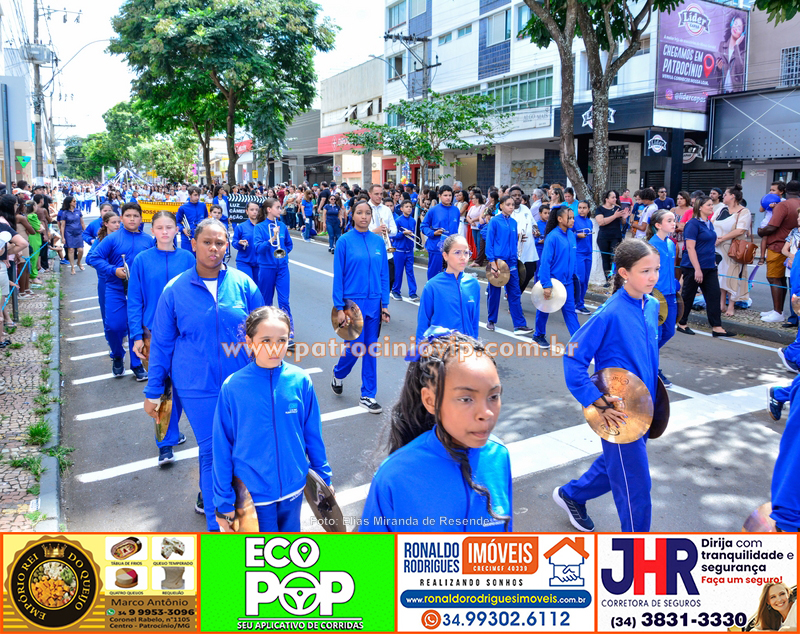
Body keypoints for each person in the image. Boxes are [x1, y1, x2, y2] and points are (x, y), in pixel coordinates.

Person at [143, 218, 263, 529]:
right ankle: (216, 525)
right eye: (207, 242)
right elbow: (162, 344)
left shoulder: (244, 284)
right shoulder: (175, 290)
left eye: (220, 243)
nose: (213, 248)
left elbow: (263, 333)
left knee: (240, 448)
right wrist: (153, 391)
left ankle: (241, 513)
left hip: (241, 384)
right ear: (193, 244)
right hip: (197, 386)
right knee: (213, 451)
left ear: (228, 246)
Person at [554, 240, 661, 532]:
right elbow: (573, 359)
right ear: (624, 273)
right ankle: (636, 557)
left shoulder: (651, 305)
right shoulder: (609, 313)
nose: (653, 277)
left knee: (620, 465)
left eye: (656, 270)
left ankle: (572, 494)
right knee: (636, 487)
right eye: (645, 271)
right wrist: (598, 401)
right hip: (617, 414)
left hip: (643, 408)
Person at [360, 332, 512, 532]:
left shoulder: (499, 455)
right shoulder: (394, 476)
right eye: (466, 399)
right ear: (430, 401)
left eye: (493, 396)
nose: (486, 413)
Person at [212, 306, 332, 533]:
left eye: (282, 340)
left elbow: (313, 435)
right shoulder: (233, 388)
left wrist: (324, 480)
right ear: (249, 342)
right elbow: (221, 447)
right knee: (259, 558)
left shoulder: (301, 380)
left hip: (294, 489)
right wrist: (223, 502)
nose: (275, 348)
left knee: (287, 552)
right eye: (266, 340)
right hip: (252, 496)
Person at [127, 211, 196, 465]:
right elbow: (134, 300)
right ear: (152, 230)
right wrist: (136, 335)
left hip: (185, 334)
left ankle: (173, 431)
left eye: (169, 227)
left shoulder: (188, 258)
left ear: (177, 229)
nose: (165, 232)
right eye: (159, 227)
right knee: (163, 387)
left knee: (184, 386)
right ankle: (165, 444)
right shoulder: (142, 261)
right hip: (153, 334)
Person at [331, 200, 390, 414]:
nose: (364, 216)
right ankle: (338, 373)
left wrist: (385, 304)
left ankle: (368, 395)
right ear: (352, 215)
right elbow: (339, 276)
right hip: (352, 305)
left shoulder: (378, 242)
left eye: (367, 213)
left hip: (374, 303)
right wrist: (339, 307)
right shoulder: (344, 242)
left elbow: (384, 274)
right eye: (359, 213)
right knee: (356, 349)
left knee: (371, 350)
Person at [86, 203, 155, 380]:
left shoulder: (148, 240)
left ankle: (137, 364)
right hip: (115, 288)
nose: (132, 219)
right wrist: (112, 270)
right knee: (114, 326)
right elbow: (93, 258)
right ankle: (117, 354)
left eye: (135, 216)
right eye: (128, 216)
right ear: (122, 218)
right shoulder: (112, 238)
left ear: (141, 219)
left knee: (136, 328)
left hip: (139, 292)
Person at [677, 196, 736, 337]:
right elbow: (690, 248)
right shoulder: (692, 224)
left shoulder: (708, 223)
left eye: (711, 205)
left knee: (714, 295)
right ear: (700, 207)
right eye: (709, 205)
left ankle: (717, 327)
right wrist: (697, 268)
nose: (712, 207)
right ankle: (682, 323)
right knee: (688, 296)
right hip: (693, 267)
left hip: (709, 266)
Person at [416, 235, 480, 343]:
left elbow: (474, 322)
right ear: (445, 256)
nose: (463, 257)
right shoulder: (432, 286)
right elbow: (423, 323)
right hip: (441, 351)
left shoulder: (473, 284)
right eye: (457, 252)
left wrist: (476, 349)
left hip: (467, 350)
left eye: (466, 252)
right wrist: (421, 351)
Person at [534, 204, 581, 348]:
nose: (573, 220)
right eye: (570, 218)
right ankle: (538, 335)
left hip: (568, 283)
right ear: (560, 219)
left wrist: (574, 278)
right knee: (545, 309)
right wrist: (546, 284)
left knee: (570, 311)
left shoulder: (572, 235)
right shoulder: (553, 237)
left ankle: (578, 340)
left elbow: (572, 259)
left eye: (573, 218)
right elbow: (545, 263)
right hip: (553, 282)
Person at [485, 195, 533, 335]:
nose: (511, 207)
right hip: (498, 263)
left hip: (512, 263)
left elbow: (513, 242)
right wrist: (493, 263)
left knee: (515, 293)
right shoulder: (494, 221)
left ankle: (519, 325)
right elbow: (490, 243)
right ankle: (491, 320)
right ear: (501, 206)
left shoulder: (513, 222)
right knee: (494, 293)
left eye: (512, 204)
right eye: (508, 204)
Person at [254, 198, 295, 348]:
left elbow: (289, 244)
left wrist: (283, 253)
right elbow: (258, 248)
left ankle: (288, 334)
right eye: (278, 207)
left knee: (284, 301)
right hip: (266, 268)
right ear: (269, 210)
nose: (280, 210)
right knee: (267, 302)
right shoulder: (259, 227)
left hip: (282, 267)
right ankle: (266, 332)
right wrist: (271, 239)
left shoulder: (282, 226)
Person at [758, 181, 800, 324]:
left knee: (774, 278)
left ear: (786, 190)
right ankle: (784, 312)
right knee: (788, 282)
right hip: (793, 248)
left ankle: (778, 312)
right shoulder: (797, 204)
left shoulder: (784, 205)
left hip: (777, 246)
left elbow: (772, 227)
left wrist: (760, 231)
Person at [648, 210, 679, 388]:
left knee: (669, 332)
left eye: (674, 220)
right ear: (658, 225)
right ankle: (653, 368)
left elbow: (671, 268)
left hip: (670, 294)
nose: (673, 223)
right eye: (669, 220)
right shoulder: (651, 246)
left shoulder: (671, 244)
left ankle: (646, 357)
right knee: (656, 333)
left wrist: (675, 284)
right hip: (656, 295)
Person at [86, 210, 121, 359]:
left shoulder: (122, 238)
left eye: (119, 222)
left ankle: (122, 338)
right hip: (106, 282)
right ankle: (112, 342)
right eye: (114, 222)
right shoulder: (101, 241)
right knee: (108, 315)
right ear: (106, 224)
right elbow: (90, 259)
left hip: (123, 282)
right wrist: (107, 267)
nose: (117, 225)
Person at [713, 185, 751, 318]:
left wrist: (722, 238)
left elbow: (741, 230)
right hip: (718, 248)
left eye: (725, 194)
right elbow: (712, 223)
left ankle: (731, 305)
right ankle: (721, 303)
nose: (723, 196)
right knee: (721, 276)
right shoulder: (721, 209)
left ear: (732, 196)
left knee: (733, 275)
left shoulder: (744, 212)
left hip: (733, 248)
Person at [421, 185, 460, 280]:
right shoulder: (433, 210)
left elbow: (456, 227)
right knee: (434, 274)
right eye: (445, 195)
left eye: (450, 195)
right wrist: (433, 233)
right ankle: (432, 293)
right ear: (439, 196)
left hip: (451, 248)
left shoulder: (456, 210)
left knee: (452, 274)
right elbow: (423, 226)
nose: (448, 197)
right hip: (436, 246)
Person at [367, 184, 398, 290]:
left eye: (381, 194)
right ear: (369, 194)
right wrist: (376, 230)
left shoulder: (386, 209)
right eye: (376, 194)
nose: (379, 196)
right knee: (372, 283)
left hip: (386, 251)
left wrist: (387, 230)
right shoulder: (364, 208)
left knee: (390, 280)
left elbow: (394, 230)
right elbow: (360, 230)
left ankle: (383, 304)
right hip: (370, 250)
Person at [594, 190, 628, 283]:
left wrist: (624, 217)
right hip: (603, 237)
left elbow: (623, 222)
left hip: (616, 236)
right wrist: (614, 216)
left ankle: (615, 279)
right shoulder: (600, 209)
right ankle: (608, 280)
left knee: (615, 258)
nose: (615, 199)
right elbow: (601, 222)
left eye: (616, 197)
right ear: (606, 199)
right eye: (613, 197)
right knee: (605, 258)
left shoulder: (618, 208)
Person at [510, 186, 538, 292]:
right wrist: (516, 237)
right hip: (515, 249)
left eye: (519, 195)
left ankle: (517, 293)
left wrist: (536, 230)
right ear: (510, 197)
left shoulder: (525, 208)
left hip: (528, 248)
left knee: (530, 271)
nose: (517, 197)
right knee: (515, 275)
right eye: (514, 195)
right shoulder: (508, 211)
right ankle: (514, 298)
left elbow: (533, 224)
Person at [391, 199, 418, 301]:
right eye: (406, 207)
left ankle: (413, 293)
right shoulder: (398, 221)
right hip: (399, 251)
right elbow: (393, 235)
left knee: (410, 272)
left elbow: (413, 235)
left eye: (410, 207)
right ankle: (395, 291)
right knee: (398, 272)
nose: (409, 208)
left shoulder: (413, 221)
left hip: (409, 250)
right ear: (401, 209)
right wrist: (403, 233)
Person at [716, 12, 746, 94]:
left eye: (739, 28)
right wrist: (718, 68)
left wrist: (736, 46)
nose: (736, 27)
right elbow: (716, 77)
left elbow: (740, 70)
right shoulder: (722, 45)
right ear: (731, 24)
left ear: (742, 34)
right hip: (722, 92)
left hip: (735, 93)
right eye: (735, 24)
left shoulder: (743, 52)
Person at [232, 201, 261, 282]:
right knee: (247, 285)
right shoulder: (241, 227)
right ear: (247, 211)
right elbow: (234, 242)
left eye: (257, 210)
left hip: (260, 262)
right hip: (244, 261)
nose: (255, 212)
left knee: (257, 289)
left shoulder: (263, 227)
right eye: (252, 209)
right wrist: (239, 243)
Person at [573, 200, 593, 315]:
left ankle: (580, 303)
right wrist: (577, 235)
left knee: (585, 280)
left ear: (588, 209)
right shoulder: (574, 220)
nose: (581, 210)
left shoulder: (590, 222)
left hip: (588, 253)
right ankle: (577, 303)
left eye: (584, 208)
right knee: (579, 279)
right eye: (580, 207)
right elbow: (569, 233)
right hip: (578, 253)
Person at [57, 195, 85, 275]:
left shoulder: (78, 211)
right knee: (71, 250)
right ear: (69, 203)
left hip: (78, 232)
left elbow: (82, 222)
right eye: (74, 201)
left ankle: (79, 262)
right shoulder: (64, 213)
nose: (75, 203)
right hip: (68, 233)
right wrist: (62, 237)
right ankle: (72, 267)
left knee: (80, 250)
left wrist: (86, 232)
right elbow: (62, 226)